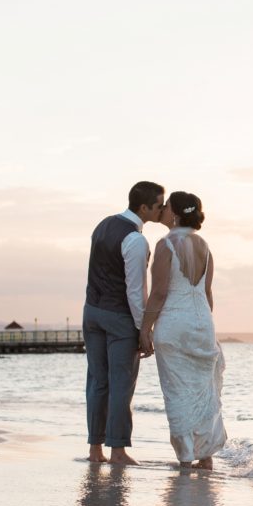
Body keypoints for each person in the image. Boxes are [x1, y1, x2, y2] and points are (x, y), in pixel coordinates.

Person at [140, 191, 227, 469]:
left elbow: (159, 293)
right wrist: (204, 327)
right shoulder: (205, 246)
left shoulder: (166, 245)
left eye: (166, 207)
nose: (162, 210)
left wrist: (145, 329)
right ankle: (206, 456)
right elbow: (208, 294)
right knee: (203, 392)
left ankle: (186, 458)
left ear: (174, 214)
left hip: (174, 326)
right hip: (202, 323)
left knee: (178, 391)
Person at [83, 181, 164, 466]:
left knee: (96, 382)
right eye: (158, 205)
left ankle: (95, 450)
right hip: (119, 317)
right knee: (121, 384)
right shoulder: (136, 240)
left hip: (91, 311)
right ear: (144, 208)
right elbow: (135, 290)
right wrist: (144, 330)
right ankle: (117, 451)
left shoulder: (103, 225)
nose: (162, 209)